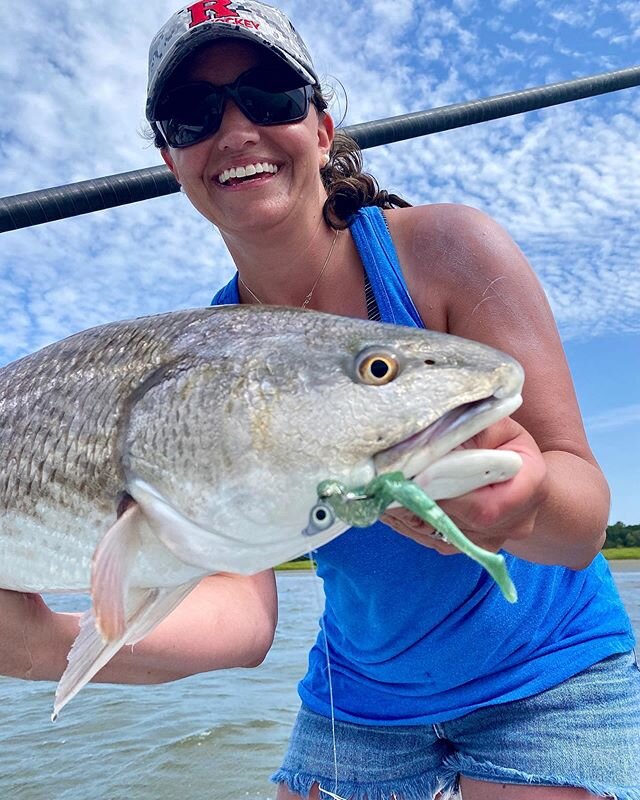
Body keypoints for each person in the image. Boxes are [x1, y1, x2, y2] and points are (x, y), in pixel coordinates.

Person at [2, 2, 638, 798]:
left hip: (549, 674)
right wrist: (38, 643)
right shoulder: (209, 360)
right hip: (360, 700)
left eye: (269, 95)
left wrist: (530, 502)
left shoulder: (447, 251)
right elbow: (244, 615)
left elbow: (582, 519)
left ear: (322, 125)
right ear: (172, 161)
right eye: (193, 115)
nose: (236, 130)